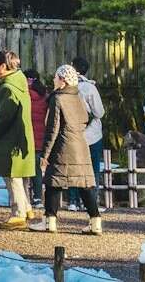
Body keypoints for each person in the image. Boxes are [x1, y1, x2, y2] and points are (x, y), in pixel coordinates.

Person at [31, 64, 102, 235]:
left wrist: (45, 153)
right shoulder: (78, 95)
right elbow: (86, 117)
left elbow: (53, 127)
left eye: (56, 77)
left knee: (53, 183)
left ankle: (50, 221)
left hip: (62, 144)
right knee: (85, 184)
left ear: (62, 80)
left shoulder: (58, 98)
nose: (54, 80)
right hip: (80, 143)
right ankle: (95, 222)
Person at [0, 50, 35, 229]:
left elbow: (4, 116)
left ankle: (18, 213)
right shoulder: (19, 83)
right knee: (18, 177)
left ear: (3, 66)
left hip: (10, 140)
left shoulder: (7, 88)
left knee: (12, 177)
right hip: (20, 138)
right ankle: (26, 207)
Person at [72, 56, 106, 208]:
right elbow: (99, 112)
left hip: (72, 133)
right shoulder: (90, 88)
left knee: (74, 166)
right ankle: (91, 201)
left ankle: (73, 200)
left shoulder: (66, 86)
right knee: (93, 168)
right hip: (92, 134)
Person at [26, 68, 49, 214]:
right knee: (38, 170)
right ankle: (38, 198)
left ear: (28, 80)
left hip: (28, 135)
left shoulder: (26, 94)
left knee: (26, 169)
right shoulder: (45, 95)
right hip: (42, 135)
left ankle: (29, 198)